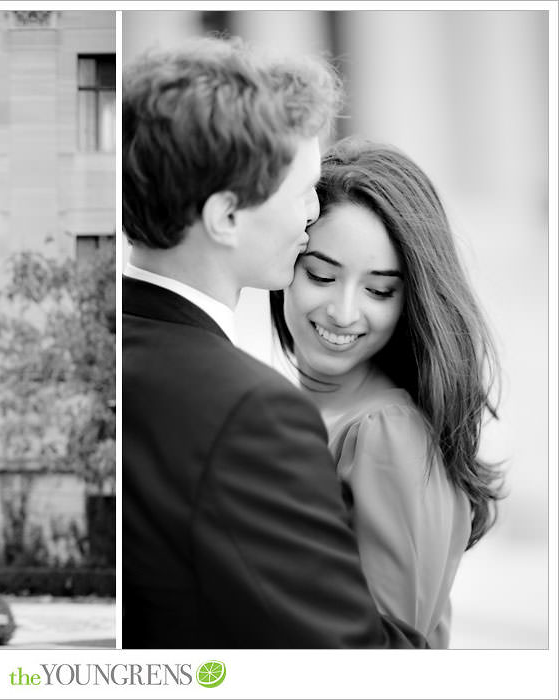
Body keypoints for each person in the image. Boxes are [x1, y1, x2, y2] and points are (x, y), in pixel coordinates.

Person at [122, 36, 427, 648]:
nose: (315, 214)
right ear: (227, 216)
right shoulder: (248, 413)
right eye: (303, 191)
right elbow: (348, 656)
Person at [269, 137, 503, 647]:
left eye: (379, 290)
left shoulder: (385, 432)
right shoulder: (281, 409)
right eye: (321, 275)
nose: (344, 312)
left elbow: (388, 649)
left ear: (410, 300)